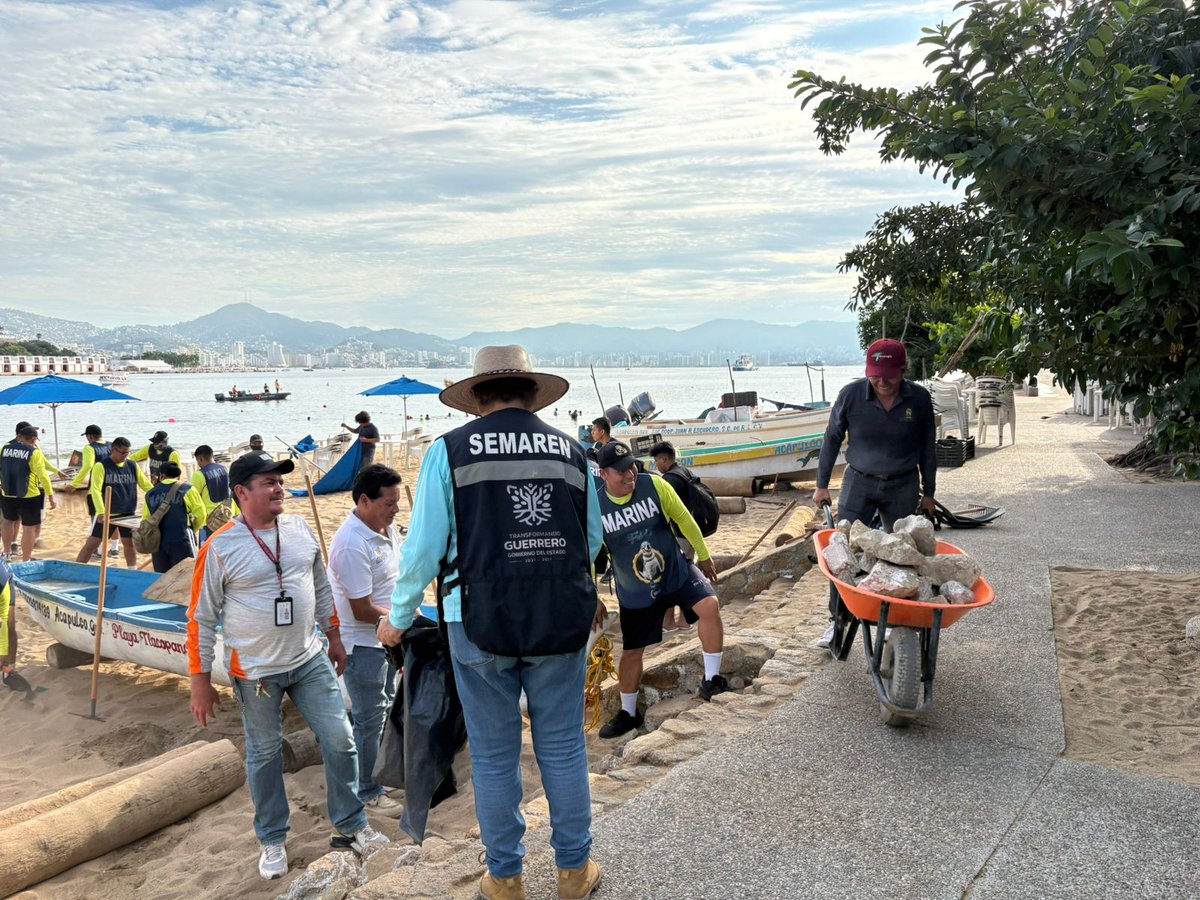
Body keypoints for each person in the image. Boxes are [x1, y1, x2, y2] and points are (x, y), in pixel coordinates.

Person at [376, 345, 604, 900]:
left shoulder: (449, 452)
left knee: (496, 752)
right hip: (558, 618)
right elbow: (593, 540)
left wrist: (399, 619)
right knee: (564, 745)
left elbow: (424, 548)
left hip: (474, 620)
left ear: (477, 397)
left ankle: (505, 878)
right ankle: (574, 872)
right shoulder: (572, 453)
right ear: (532, 394)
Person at [187, 451, 387, 881]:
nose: (279, 488)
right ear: (242, 492)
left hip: (309, 656)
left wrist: (333, 635)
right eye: (268, 482)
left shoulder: (298, 529)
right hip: (255, 671)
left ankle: (351, 825)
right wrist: (200, 681)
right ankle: (272, 838)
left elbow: (318, 584)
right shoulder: (219, 546)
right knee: (264, 754)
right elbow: (201, 618)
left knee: (341, 741)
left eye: (280, 481)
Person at [593, 441, 728, 739]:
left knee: (709, 606)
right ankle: (628, 712)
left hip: (674, 572)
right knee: (632, 651)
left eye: (631, 466)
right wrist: (592, 596)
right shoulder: (594, 506)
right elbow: (588, 554)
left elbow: (684, 519)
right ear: (603, 474)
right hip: (635, 589)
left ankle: (712, 679)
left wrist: (704, 557)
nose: (629, 474)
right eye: (620, 471)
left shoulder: (654, 485)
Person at [812, 338, 937, 648]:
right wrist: (821, 484)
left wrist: (929, 492)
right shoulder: (851, 396)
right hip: (859, 482)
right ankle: (836, 623)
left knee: (904, 556)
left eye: (889, 374)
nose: (881, 381)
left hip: (903, 483)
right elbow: (831, 439)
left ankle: (899, 621)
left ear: (902, 370)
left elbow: (927, 449)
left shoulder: (919, 399)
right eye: (875, 374)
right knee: (841, 554)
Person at [327, 464, 405, 817]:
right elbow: (360, 609)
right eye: (389, 503)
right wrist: (398, 621)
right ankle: (368, 790)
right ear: (364, 501)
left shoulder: (387, 530)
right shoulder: (350, 543)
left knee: (386, 707)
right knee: (369, 717)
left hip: (390, 637)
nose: (396, 510)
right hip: (363, 644)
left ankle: (377, 776)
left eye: (397, 502)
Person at [76, 437, 152, 568]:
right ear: (113, 450)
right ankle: (75, 571)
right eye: (122, 452)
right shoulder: (101, 466)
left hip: (128, 513)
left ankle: (132, 571)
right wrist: (101, 511)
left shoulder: (132, 465)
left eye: (128, 452)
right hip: (108, 513)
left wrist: (160, 494)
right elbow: (95, 490)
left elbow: (147, 486)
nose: (125, 456)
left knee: (129, 544)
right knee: (92, 543)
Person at [649, 440, 700, 632]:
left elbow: (666, 512)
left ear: (663, 459)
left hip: (679, 534)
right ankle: (683, 620)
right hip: (690, 532)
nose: (657, 466)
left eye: (657, 461)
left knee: (672, 578)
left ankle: (671, 622)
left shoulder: (669, 479)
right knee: (684, 573)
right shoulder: (685, 472)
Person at [2, 425, 57, 562]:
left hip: (7, 493)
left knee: (8, 522)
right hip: (29, 494)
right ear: (33, 440)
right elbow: (43, 475)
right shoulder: (34, 452)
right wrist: (50, 495)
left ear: (20, 436)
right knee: (29, 528)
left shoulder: (4, 448)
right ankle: (26, 559)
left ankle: (7, 553)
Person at [142, 461, 206, 573]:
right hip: (181, 538)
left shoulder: (150, 493)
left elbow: (146, 519)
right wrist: (192, 529)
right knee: (186, 574)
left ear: (161, 476)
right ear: (179, 476)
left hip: (159, 542)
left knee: (162, 577)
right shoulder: (188, 489)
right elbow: (201, 515)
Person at [191, 446, 238, 542]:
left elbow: (193, 497)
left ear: (200, 458)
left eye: (198, 461)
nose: (198, 464)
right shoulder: (225, 469)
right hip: (228, 515)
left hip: (210, 521)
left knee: (208, 551)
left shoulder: (199, 474)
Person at [66, 425, 111, 502]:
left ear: (90, 436)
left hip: (98, 486)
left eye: (86, 436)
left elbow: (88, 466)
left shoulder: (89, 448)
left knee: (96, 512)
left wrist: (74, 484)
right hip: (113, 484)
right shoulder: (112, 445)